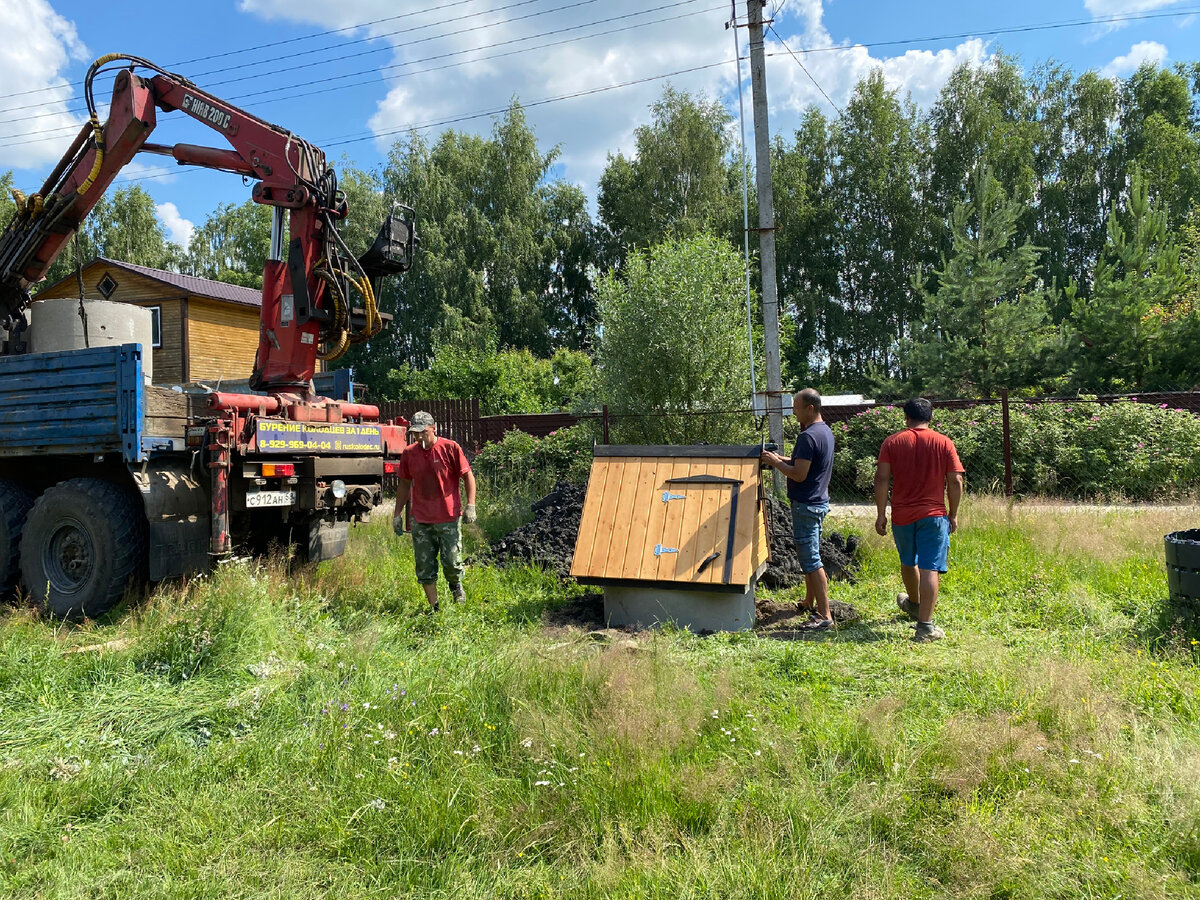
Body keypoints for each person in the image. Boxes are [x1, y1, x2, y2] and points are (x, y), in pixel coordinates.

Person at [874, 398, 965, 643]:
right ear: (930, 417)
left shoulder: (892, 442)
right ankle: (925, 626)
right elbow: (955, 481)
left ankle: (914, 603)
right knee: (929, 568)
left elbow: (881, 479)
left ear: (906, 417)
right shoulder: (944, 442)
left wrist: (881, 513)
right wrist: (953, 514)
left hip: (902, 516)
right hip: (933, 516)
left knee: (907, 561)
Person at [761, 388, 836, 630]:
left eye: (796, 407)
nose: (793, 411)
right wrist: (777, 457)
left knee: (811, 560)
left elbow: (799, 474)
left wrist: (774, 462)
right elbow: (798, 463)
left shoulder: (807, 437)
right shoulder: (823, 431)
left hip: (806, 505)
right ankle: (808, 601)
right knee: (809, 556)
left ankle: (825, 616)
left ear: (810, 408)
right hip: (817, 503)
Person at [392, 411, 477, 612]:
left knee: (451, 562)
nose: (419, 437)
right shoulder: (409, 454)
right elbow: (404, 485)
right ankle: (435, 609)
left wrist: (471, 505)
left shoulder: (450, 448)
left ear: (433, 428)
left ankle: (456, 587)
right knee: (424, 567)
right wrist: (397, 514)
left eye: (423, 432)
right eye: (415, 433)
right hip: (421, 519)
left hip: (447, 517)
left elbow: (468, 476)